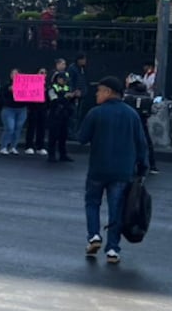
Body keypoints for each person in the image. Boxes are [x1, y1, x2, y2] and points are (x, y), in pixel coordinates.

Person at [77, 76, 149, 265]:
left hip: (98, 169)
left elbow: (81, 138)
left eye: (99, 91)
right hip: (122, 172)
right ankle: (112, 249)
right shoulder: (132, 115)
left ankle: (94, 236)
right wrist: (143, 167)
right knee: (116, 209)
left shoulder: (95, 113)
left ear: (108, 92)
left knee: (92, 203)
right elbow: (142, 144)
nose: (97, 94)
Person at [123, 78, 158, 173]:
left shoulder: (127, 94)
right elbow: (153, 110)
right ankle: (152, 166)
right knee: (147, 144)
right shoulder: (147, 95)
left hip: (129, 123)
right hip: (142, 122)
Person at [46, 71, 74, 163]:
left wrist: (73, 96)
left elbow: (70, 102)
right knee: (53, 136)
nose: (65, 82)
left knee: (63, 136)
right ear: (58, 79)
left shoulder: (67, 88)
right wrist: (65, 97)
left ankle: (63, 154)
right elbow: (53, 101)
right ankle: (51, 155)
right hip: (55, 115)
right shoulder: (52, 88)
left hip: (64, 115)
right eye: (63, 80)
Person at [0, 69, 28, 155]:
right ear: (10, 75)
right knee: (10, 128)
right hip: (9, 109)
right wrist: (8, 90)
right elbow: (1, 95)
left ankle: (13, 147)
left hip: (22, 108)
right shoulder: (6, 85)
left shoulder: (25, 85)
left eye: (17, 74)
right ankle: (4, 146)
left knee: (18, 129)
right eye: (13, 74)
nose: (15, 76)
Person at [23, 67, 49, 155]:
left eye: (44, 73)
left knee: (41, 128)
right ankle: (29, 146)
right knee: (31, 128)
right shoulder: (31, 84)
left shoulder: (48, 86)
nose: (43, 74)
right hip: (33, 109)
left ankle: (40, 146)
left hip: (43, 109)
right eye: (41, 72)